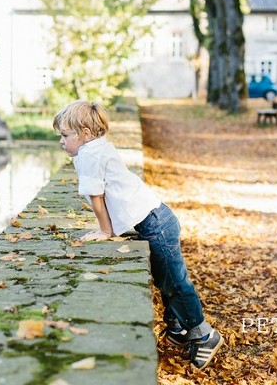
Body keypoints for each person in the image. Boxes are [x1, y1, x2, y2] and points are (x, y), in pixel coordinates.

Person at [52, 99, 223, 370]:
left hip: (155, 223)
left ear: (84, 133)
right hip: (156, 219)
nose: (61, 142)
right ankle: (177, 330)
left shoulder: (89, 155)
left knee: (175, 283)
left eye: (64, 136)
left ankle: (203, 334)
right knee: (165, 279)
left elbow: (97, 197)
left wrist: (105, 231)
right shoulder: (97, 148)